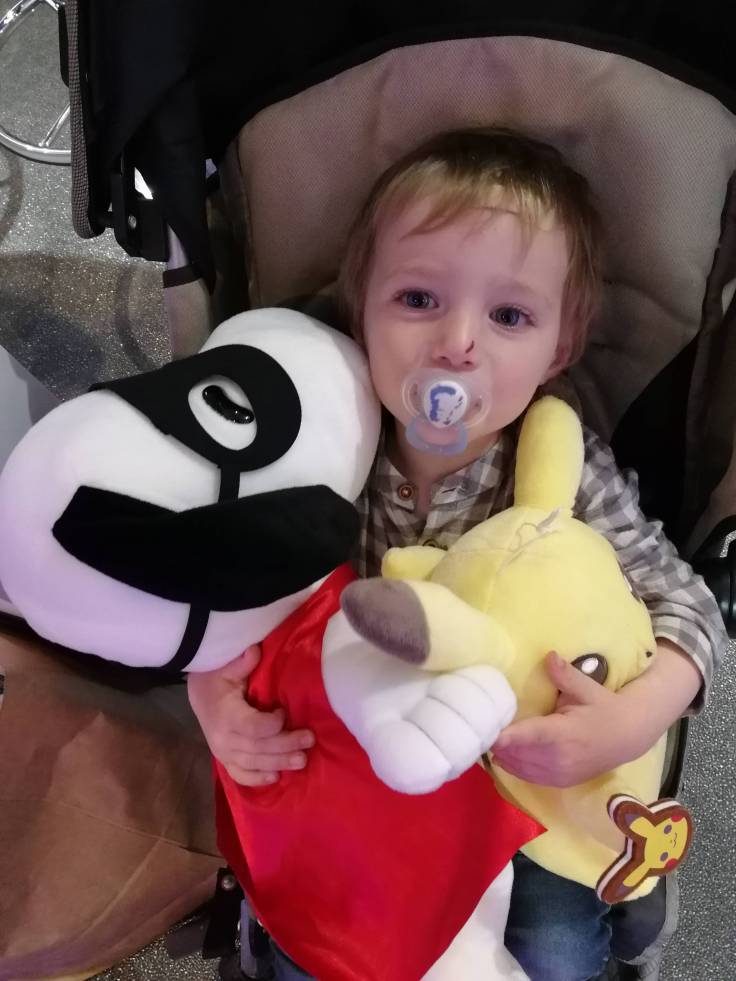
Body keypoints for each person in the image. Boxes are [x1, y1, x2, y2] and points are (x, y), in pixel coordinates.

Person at [187, 127, 728, 981]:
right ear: (360, 308)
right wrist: (212, 695)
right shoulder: (330, 446)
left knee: (553, 953)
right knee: (315, 947)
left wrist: (630, 720)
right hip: (364, 774)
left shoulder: (561, 465)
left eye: (509, 316)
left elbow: (689, 605)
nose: (458, 342)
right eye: (417, 299)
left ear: (560, 345)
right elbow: (234, 595)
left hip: (523, 782)